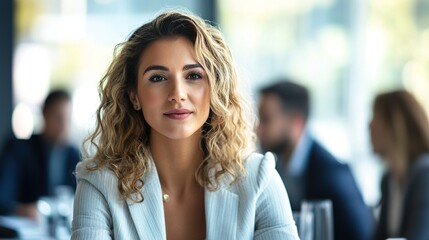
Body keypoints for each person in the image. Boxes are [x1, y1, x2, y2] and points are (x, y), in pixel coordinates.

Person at [71, 10, 299, 240]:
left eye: (193, 76)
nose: (178, 94)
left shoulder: (258, 179)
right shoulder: (99, 183)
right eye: (158, 78)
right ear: (134, 96)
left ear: (215, 88)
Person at [257, 80, 373, 240]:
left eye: (266, 119)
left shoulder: (332, 174)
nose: (257, 129)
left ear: (296, 122)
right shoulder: (274, 167)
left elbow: (362, 234)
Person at [0, 89, 80, 219]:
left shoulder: (74, 156)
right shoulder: (18, 150)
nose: (63, 125)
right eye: (58, 118)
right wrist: (23, 210)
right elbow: (2, 198)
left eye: (67, 119)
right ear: (44, 114)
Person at [370, 90, 429, 240]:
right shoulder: (389, 179)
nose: (369, 125)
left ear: (395, 125)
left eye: (376, 117)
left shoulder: (425, 175)